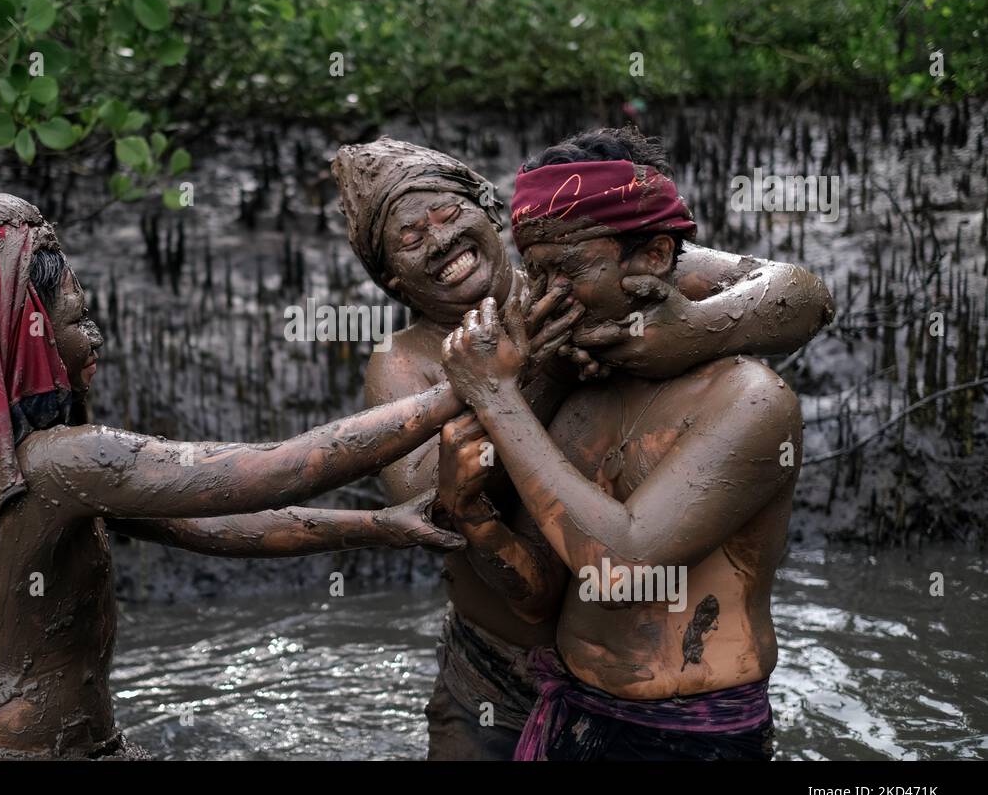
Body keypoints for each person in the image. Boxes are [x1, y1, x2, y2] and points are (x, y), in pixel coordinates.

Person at [0, 192, 466, 760]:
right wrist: (459, 388)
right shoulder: (64, 462)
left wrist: (382, 524)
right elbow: (282, 468)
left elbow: (210, 524)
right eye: (78, 319)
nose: (96, 337)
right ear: (28, 333)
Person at [330, 132, 833, 759]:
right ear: (391, 281)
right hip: (505, 665)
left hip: (658, 699)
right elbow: (434, 508)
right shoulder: (415, 359)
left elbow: (801, 293)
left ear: (490, 217)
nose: (439, 241)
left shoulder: (583, 281)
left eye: (450, 214)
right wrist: (525, 382)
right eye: (408, 239)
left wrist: (695, 332)